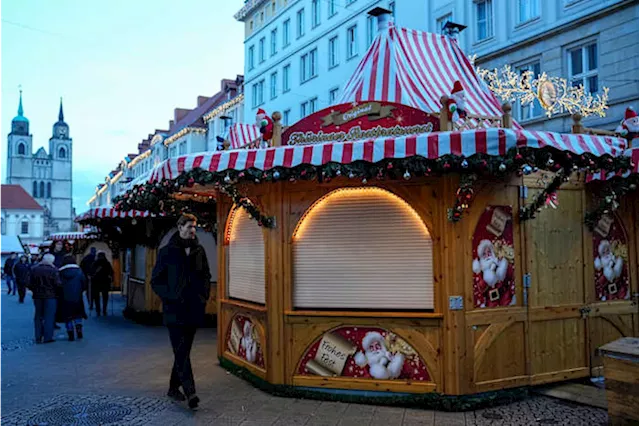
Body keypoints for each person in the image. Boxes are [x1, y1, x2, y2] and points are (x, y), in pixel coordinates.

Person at [152, 214, 211, 410]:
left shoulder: (199, 250)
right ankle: (190, 392)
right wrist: (170, 296)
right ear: (180, 227)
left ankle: (172, 387)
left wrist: (203, 297)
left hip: (194, 309)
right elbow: (156, 281)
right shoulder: (167, 252)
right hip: (174, 311)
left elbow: (205, 276)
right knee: (181, 351)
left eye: (194, 227)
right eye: (189, 226)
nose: (192, 230)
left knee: (183, 351)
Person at [27, 253, 61, 343]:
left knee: (38, 316)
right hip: (51, 296)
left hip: (37, 296)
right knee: (49, 317)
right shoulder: (54, 270)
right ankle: (48, 337)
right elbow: (58, 284)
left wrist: (34, 290)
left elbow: (29, 283)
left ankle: (38, 336)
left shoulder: (34, 269)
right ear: (51, 261)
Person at [58, 255, 88, 341]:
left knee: (68, 317)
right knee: (77, 314)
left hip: (64, 297)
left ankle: (70, 333)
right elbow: (84, 282)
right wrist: (81, 290)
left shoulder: (60, 272)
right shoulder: (79, 271)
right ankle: (79, 330)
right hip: (77, 297)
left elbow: (58, 284)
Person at [90, 252, 113, 316]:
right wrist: (111, 280)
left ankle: (98, 311)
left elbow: (91, 272)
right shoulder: (107, 263)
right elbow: (111, 272)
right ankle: (104, 310)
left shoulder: (95, 263)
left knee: (96, 297)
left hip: (96, 282)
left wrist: (91, 277)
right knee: (105, 296)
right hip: (105, 282)